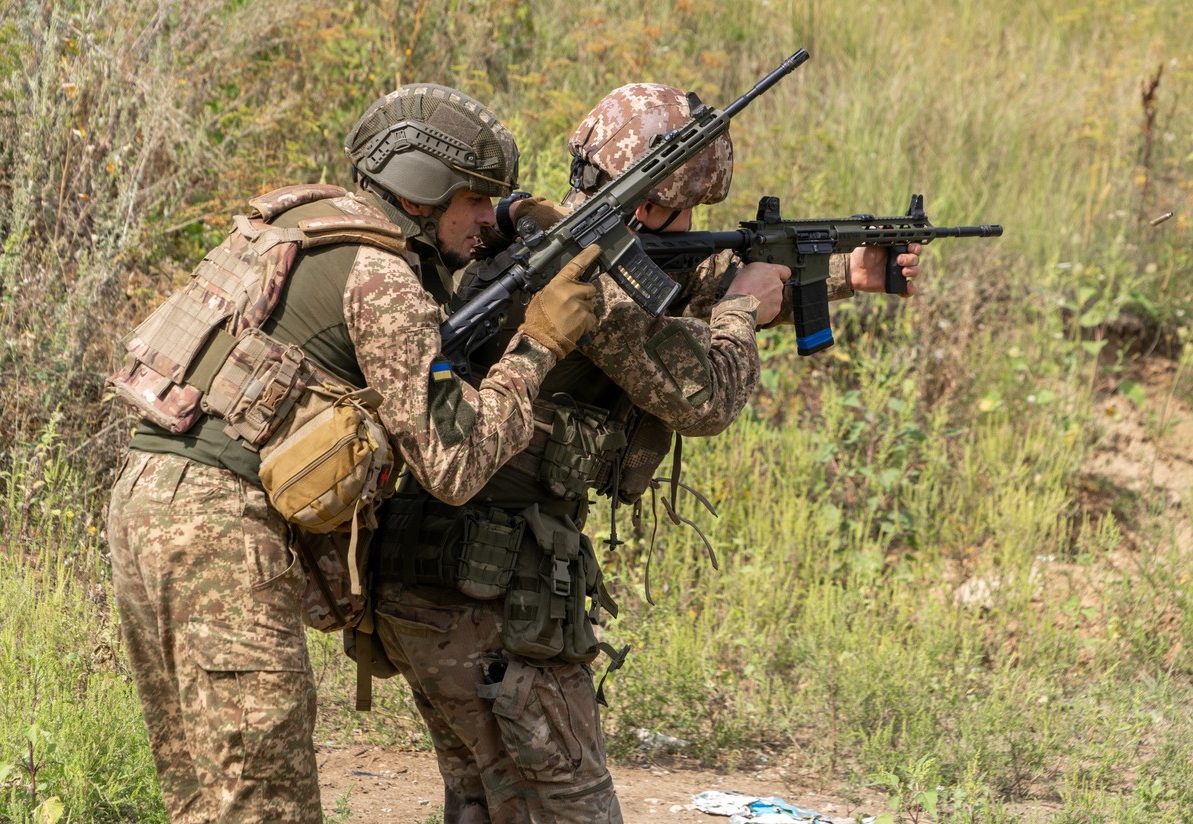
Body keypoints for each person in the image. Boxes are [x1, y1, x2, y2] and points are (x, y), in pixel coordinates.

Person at [368, 83, 923, 823]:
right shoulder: (587, 283)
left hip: (430, 573)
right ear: (648, 205)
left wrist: (842, 273)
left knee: (485, 800)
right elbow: (706, 395)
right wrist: (742, 312)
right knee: (571, 809)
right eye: (686, 209)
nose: (695, 226)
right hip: (493, 594)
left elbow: (687, 282)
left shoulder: (549, 236)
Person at [105, 83, 602, 824]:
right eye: (473, 202)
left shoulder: (303, 224)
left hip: (146, 504)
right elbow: (453, 465)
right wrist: (538, 346)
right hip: (220, 535)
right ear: (425, 193)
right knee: (264, 801)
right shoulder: (383, 278)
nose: (482, 220)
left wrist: (494, 227)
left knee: (209, 797)